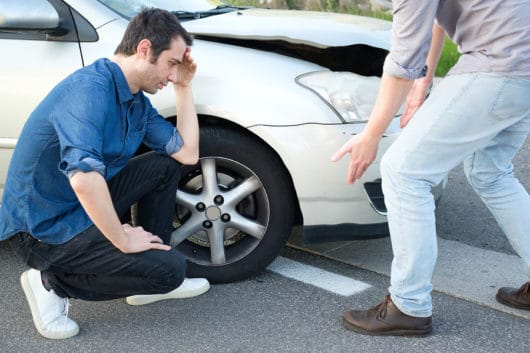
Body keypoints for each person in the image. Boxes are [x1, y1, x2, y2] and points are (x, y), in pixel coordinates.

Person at [0, 8, 210, 340]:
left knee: (164, 165)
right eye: (172, 63)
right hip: (41, 228)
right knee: (171, 272)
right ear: (144, 50)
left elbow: (187, 153)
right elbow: (83, 179)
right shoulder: (89, 91)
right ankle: (49, 283)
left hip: (78, 206)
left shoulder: (135, 101)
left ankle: (154, 257)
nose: (173, 74)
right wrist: (123, 238)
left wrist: (184, 87)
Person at [331, 0, 530, 336]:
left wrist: (371, 135)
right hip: (521, 66)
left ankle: (408, 305)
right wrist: (423, 82)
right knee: (490, 174)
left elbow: (403, 60)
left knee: (403, 173)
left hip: (497, 65)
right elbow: (436, 19)